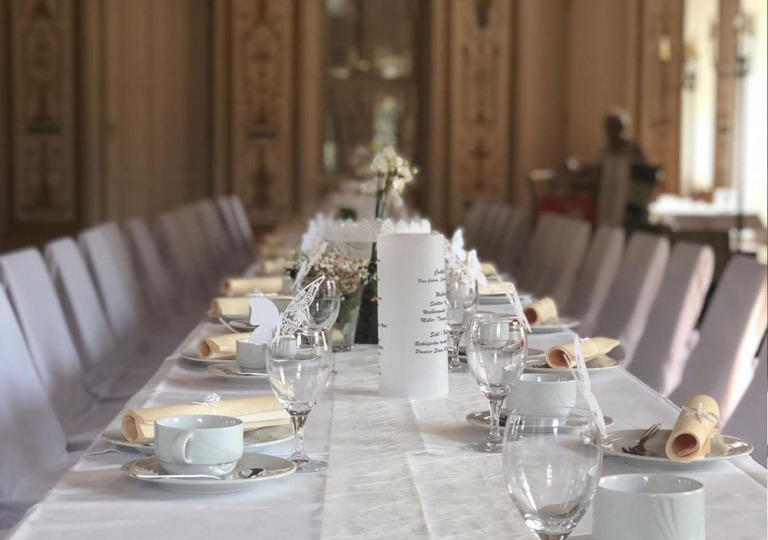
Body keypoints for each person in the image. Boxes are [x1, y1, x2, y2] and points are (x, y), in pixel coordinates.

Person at [596, 107, 646, 226]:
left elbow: (644, 175)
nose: (610, 131)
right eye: (608, 128)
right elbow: (600, 171)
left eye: (614, 127)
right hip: (607, 198)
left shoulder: (633, 149)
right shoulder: (607, 150)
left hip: (626, 202)